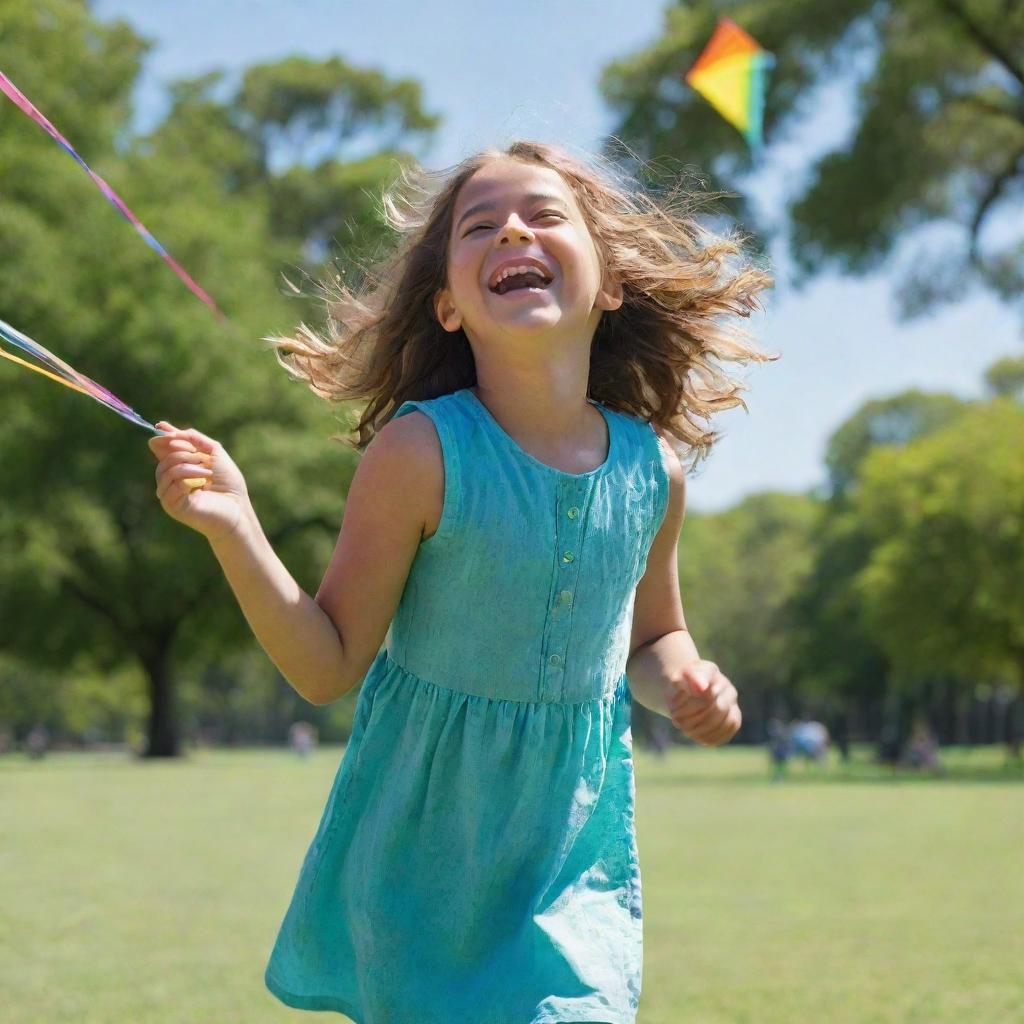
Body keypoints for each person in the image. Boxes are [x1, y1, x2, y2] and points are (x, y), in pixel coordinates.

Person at [148, 140, 774, 1024]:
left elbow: (650, 638)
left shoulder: (653, 473)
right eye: (480, 226)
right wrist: (236, 527)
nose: (513, 228)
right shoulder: (419, 453)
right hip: (420, 865)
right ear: (447, 306)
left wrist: (687, 683)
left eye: (545, 215)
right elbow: (327, 665)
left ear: (610, 285)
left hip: (567, 867)